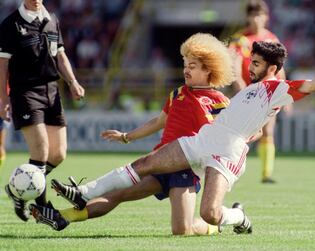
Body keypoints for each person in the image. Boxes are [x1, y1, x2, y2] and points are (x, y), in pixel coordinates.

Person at [31, 30, 315, 233]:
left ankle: (238, 217)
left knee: (209, 214)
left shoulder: (279, 88)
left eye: (257, 63)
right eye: (252, 61)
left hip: (227, 151)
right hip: (205, 140)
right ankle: (83, 193)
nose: (251, 66)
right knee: (145, 163)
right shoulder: (246, 91)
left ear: (272, 67)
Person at [31, 33, 233, 234]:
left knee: (182, 230)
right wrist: (127, 136)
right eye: (185, 64)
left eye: (192, 66)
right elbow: (159, 122)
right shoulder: (177, 93)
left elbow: (228, 135)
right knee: (117, 194)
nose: (186, 70)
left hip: (185, 168)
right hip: (160, 161)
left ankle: (214, 226)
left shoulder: (218, 100)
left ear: (209, 69)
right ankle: (62, 216)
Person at [0, 0, 85, 221]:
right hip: (25, 92)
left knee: (59, 154)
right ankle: (42, 209)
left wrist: (73, 82)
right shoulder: (11, 23)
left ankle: (17, 189)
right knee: (41, 152)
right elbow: (2, 65)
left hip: (52, 91)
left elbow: (60, 55)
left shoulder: (52, 19)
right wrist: (2, 98)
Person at [229, 0, 286, 183]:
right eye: (252, 15)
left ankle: (266, 174)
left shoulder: (272, 38)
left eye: (259, 15)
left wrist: (285, 95)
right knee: (239, 134)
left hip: (268, 93)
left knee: (268, 131)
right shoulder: (240, 39)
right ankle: (228, 168)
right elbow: (235, 70)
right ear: (247, 17)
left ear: (266, 17)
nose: (256, 19)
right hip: (247, 93)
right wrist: (245, 95)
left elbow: (280, 70)